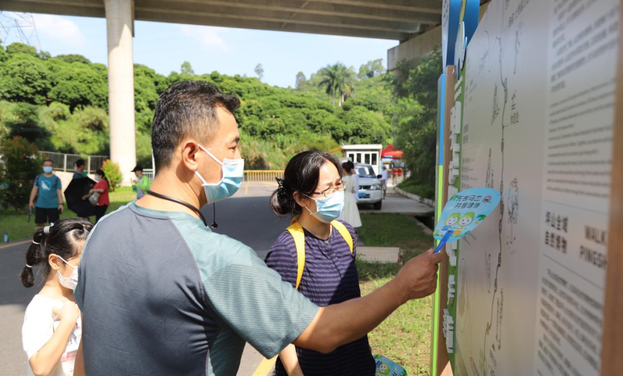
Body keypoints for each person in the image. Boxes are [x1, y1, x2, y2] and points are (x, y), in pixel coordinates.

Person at [74, 80, 445, 375]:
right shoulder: (218, 259)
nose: (241, 158)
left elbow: (86, 353)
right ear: (191, 155)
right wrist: (402, 287)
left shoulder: (102, 232)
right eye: (233, 147)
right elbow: (324, 332)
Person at [267, 151, 370, 376]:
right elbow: (278, 322)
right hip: (313, 369)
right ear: (301, 198)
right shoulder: (287, 249)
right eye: (327, 190)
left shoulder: (346, 233)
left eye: (338, 185)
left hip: (357, 363)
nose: (336, 194)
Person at [21, 218, 92, 376]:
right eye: (82, 266)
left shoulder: (83, 296)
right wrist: (67, 321)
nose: (89, 272)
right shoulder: (40, 308)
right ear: (55, 261)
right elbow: (40, 368)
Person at [29, 159, 64, 228]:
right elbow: (35, 189)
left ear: (53, 167)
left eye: (50, 165)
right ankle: (42, 237)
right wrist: (31, 201)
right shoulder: (39, 177)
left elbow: (59, 191)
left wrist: (60, 204)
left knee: (54, 225)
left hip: (53, 205)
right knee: (39, 224)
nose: (48, 167)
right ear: (42, 166)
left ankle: (52, 237)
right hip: (40, 205)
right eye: (46, 165)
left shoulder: (56, 179)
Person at [341, 160, 362, 230]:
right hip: (351, 196)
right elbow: (353, 190)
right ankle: (353, 231)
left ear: (344, 169)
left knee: (345, 214)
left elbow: (342, 189)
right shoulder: (353, 179)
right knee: (352, 214)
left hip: (345, 197)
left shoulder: (343, 179)